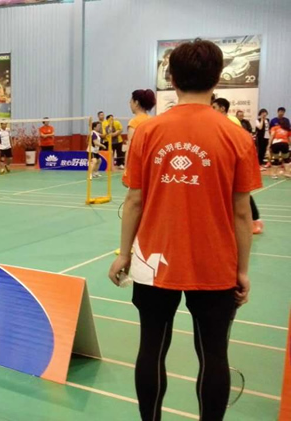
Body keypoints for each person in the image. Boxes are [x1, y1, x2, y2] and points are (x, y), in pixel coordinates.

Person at [108, 39, 261, 421]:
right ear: (218, 78)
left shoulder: (147, 132)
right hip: (216, 264)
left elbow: (134, 201)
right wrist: (242, 270)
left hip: (152, 262)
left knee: (151, 348)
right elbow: (242, 213)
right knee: (213, 354)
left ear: (172, 79)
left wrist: (124, 254)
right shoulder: (238, 137)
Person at [212, 98, 264, 234]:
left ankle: (256, 220)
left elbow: (237, 142)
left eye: (214, 107)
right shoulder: (214, 121)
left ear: (222, 108)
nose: (212, 110)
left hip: (233, 162)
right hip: (221, 162)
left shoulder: (231, 121)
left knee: (241, 194)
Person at [122, 89, 156, 186]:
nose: (130, 103)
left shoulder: (134, 122)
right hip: (152, 163)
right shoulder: (153, 120)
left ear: (136, 103)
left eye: (131, 101)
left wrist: (126, 169)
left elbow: (131, 147)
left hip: (138, 164)